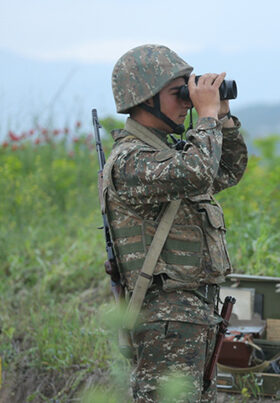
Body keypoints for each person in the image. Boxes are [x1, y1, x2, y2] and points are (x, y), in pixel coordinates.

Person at [102, 44, 247, 402]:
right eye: (178, 93)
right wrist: (207, 117)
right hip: (165, 322)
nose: (188, 102)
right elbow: (197, 173)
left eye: (189, 92)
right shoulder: (131, 162)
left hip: (192, 315)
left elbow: (225, 170)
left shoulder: (167, 154)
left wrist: (223, 116)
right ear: (144, 99)